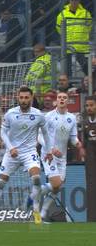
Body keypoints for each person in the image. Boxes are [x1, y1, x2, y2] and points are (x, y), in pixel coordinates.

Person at [0, 86, 52, 225]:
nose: (24, 100)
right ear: (17, 98)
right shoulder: (10, 114)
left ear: (31, 98)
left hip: (29, 152)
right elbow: (3, 133)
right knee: (1, 182)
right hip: (12, 153)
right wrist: (11, 147)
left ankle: (36, 211)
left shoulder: (38, 115)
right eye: (21, 97)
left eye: (26, 98)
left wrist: (49, 151)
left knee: (37, 178)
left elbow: (46, 134)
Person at [37, 91, 84, 221]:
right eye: (59, 97)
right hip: (49, 155)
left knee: (57, 187)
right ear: (56, 101)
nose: (62, 99)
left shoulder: (72, 118)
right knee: (56, 183)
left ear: (68, 101)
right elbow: (40, 136)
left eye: (64, 98)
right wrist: (51, 149)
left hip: (62, 158)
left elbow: (73, 137)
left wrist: (78, 145)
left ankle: (42, 212)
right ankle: (36, 196)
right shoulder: (48, 116)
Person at [56, 0, 92, 76]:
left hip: (81, 46)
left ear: (79, 1)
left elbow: (89, 27)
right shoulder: (62, 14)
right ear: (69, 1)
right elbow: (59, 28)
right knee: (67, 70)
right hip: (68, 45)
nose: (74, 2)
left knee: (87, 68)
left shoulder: (86, 13)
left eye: (76, 0)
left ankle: (92, 85)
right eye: (73, 0)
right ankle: (68, 87)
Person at [82, 96, 96, 221]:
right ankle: (91, 218)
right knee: (91, 188)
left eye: (92, 105)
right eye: (87, 106)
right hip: (91, 161)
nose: (89, 108)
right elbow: (84, 143)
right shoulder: (85, 122)